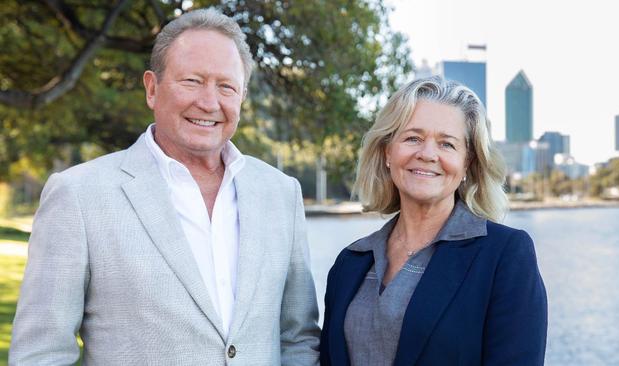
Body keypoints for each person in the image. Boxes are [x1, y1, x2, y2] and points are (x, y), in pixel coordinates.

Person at [10, 8, 320, 365]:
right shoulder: (79, 196)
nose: (208, 101)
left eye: (226, 86)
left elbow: (298, 339)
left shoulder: (281, 194)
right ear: (152, 88)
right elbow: (40, 354)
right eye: (192, 81)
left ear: (242, 97)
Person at [320, 76, 547, 365]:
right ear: (388, 151)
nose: (427, 154)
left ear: (467, 163)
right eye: (413, 138)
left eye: (447, 144)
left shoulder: (505, 256)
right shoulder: (349, 263)